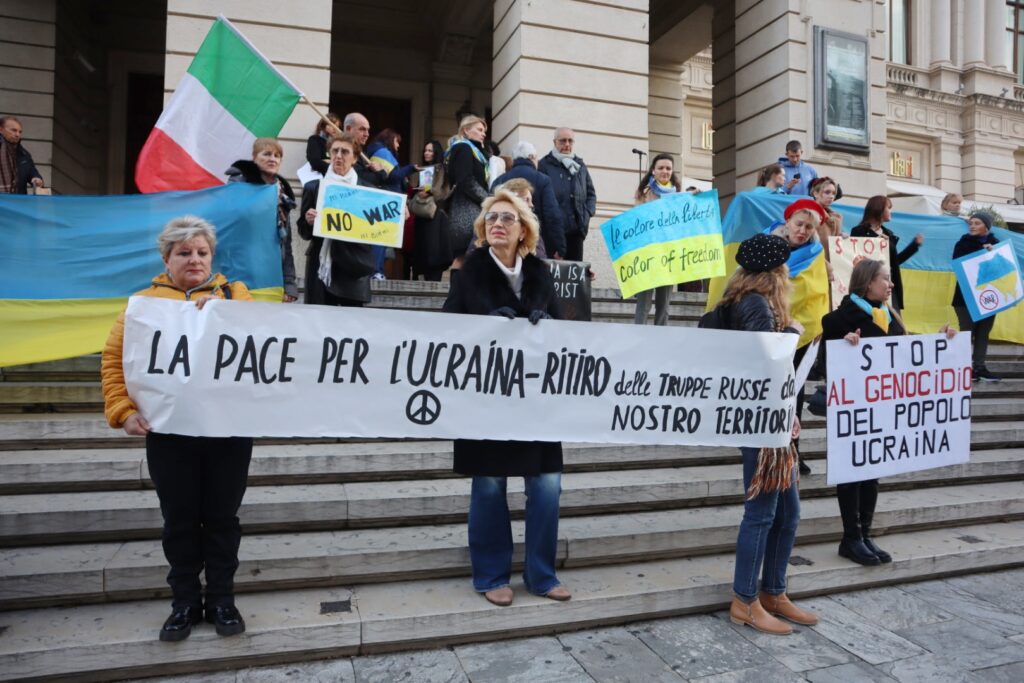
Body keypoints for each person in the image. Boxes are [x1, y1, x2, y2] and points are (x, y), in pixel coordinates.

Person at [101, 216, 254, 642]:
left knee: (222, 518)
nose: (195, 259)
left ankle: (222, 599)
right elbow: (114, 361)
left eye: (202, 252)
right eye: (184, 252)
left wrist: (227, 313)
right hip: (169, 435)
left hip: (227, 432)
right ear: (166, 258)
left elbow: (264, 336)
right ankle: (184, 602)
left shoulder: (234, 294)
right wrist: (122, 410)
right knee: (180, 520)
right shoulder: (142, 304)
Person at [442, 188, 568, 606]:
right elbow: (444, 336)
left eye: (507, 219)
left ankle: (542, 575)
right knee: (490, 485)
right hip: (486, 402)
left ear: (523, 231)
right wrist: (482, 325)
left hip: (538, 403)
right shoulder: (467, 275)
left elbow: (570, 336)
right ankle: (491, 574)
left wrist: (549, 322)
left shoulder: (542, 275)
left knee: (548, 485)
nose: (497, 224)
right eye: (491, 218)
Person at [708, 233, 815, 636]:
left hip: (773, 418)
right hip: (759, 422)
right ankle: (744, 600)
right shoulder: (755, 304)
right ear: (775, 272)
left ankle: (773, 591)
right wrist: (791, 335)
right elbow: (760, 361)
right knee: (762, 512)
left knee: (788, 511)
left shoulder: (753, 302)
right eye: (785, 267)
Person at [822, 259, 958, 565]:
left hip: (881, 409)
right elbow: (823, 367)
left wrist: (941, 341)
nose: (891, 284)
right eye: (886, 279)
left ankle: (865, 534)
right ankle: (851, 537)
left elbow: (908, 357)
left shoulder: (891, 316)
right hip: (853, 410)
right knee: (852, 473)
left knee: (872, 473)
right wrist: (844, 347)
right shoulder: (837, 320)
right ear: (868, 282)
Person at [767, 199, 830, 475]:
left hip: (799, 335)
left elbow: (815, 294)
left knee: (793, 396)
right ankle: (767, 451)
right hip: (767, 330)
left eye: (808, 227)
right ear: (788, 222)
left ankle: (793, 451)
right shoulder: (767, 246)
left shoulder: (815, 254)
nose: (802, 230)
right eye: (799, 224)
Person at [297, 133, 375, 307]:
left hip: (353, 268)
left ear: (355, 158)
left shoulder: (368, 191)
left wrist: (399, 214)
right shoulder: (314, 188)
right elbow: (303, 231)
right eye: (335, 151)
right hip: (322, 268)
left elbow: (381, 225)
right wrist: (308, 221)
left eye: (345, 152)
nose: (338, 156)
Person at [225, 138, 298, 302]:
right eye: (267, 154)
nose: (272, 159)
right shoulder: (235, 189)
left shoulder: (282, 198)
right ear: (254, 157)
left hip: (270, 279)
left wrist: (289, 284)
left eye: (277, 155)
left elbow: (285, 246)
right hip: (239, 277)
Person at [491, 140, 566, 258]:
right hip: (535, 245)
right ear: (532, 157)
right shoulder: (543, 180)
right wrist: (560, 247)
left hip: (504, 244)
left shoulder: (498, 181)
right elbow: (552, 216)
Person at [850, 195, 923, 311]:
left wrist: (914, 246)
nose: (891, 211)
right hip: (868, 287)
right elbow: (855, 258)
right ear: (878, 209)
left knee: (894, 323)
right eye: (889, 207)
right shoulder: (859, 231)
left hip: (888, 286)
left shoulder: (888, 234)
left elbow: (895, 261)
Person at [633, 153, 681, 326]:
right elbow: (637, 222)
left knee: (664, 303)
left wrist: (694, 198)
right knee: (644, 302)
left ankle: (661, 336)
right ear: (653, 171)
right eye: (660, 168)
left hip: (668, 255)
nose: (665, 171)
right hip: (649, 253)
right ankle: (639, 334)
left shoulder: (678, 195)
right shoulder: (644, 194)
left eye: (668, 168)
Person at [952, 211, 1001, 381]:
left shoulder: (996, 244)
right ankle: (964, 368)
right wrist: (982, 253)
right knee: (967, 333)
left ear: (986, 226)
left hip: (988, 298)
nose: (972, 226)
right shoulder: (963, 244)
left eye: (977, 223)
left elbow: (1002, 270)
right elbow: (959, 265)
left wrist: (993, 254)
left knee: (983, 333)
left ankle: (979, 367)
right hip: (965, 298)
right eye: (971, 223)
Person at [365, 128, 419, 279]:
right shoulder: (382, 152)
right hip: (387, 201)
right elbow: (393, 176)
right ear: (390, 139)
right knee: (381, 238)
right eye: (397, 141)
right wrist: (410, 168)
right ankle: (376, 271)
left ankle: (379, 270)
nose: (398, 145)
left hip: (388, 200)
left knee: (385, 238)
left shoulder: (380, 152)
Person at [538, 126, 597, 261]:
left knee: (574, 277)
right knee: (554, 277)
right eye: (563, 141)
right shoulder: (544, 164)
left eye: (570, 141)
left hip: (576, 232)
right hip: (553, 233)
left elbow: (591, 194)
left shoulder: (580, 165)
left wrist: (587, 214)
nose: (567, 144)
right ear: (555, 142)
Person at [444, 115, 491, 268]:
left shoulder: (468, 149)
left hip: (466, 210)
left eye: (484, 131)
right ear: (466, 130)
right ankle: (457, 291)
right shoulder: (463, 148)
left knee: (466, 258)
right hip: (466, 211)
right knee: (465, 257)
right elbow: (465, 180)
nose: (483, 134)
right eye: (479, 130)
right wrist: (488, 199)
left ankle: (459, 291)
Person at [409, 140, 452, 281]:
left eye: (430, 150)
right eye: (425, 150)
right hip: (424, 215)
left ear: (436, 152)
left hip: (434, 215)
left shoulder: (440, 168)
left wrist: (427, 191)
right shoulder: (425, 169)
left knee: (432, 253)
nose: (426, 153)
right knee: (425, 253)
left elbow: (440, 192)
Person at [492, 177, 546, 259]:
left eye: (531, 200)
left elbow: (540, 259)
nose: (531, 205)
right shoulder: (489, 225)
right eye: (527, 200)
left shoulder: (531, 228)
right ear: (515, 201)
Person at [1, 115, 44, 194]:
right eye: (13, 130)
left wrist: (37, 179)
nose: (17, 134)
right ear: (1, 129)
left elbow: (33, 173)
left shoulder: (24, 154)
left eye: (20, 132)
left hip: (16, 202)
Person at [343, 112, 386, 187]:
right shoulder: (343, 150)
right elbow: (362, 179)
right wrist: (381, 172)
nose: (367, 134)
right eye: (362, 129)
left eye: (367, 130)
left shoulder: (360, 151)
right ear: (348, 129)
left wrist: (373, 169)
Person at [809, 177, 844, 241]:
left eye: (833, 193)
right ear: (815, 193)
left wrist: (842, 236)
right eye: (827, 192)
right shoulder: (808, 213)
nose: (831, 196)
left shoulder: (837, 216)